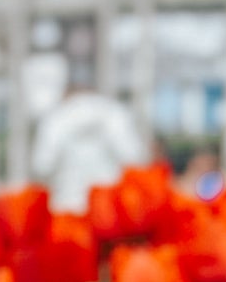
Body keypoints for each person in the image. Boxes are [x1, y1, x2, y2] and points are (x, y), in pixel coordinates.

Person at [29, 82, 146, 211]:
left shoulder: (55, 119)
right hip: (109, 211)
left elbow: (42, 166)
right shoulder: (115, 114)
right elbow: (134, 157)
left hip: (66, 210)